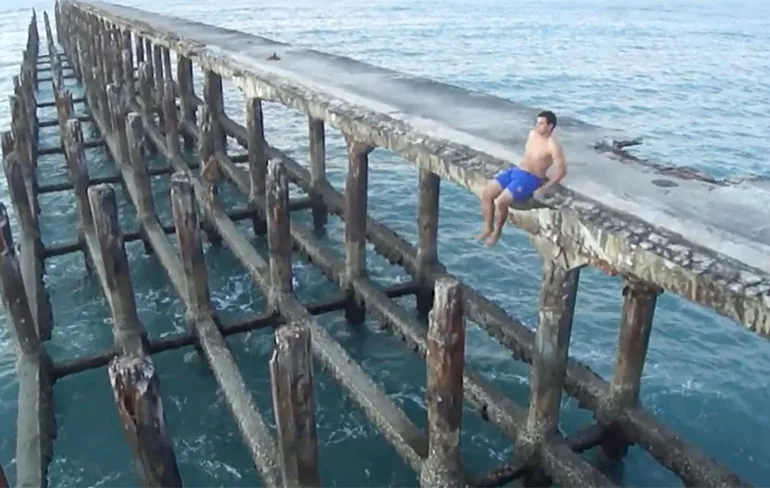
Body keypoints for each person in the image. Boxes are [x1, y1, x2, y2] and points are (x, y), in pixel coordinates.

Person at [476, 110, 567, 247]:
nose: (537, 126)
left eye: (541, 123)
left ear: (550, 126)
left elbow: (562, 171)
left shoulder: (552, 145)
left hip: (531, 178)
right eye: (537, 122)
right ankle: (488, 228)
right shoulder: (532, 134)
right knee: (486, 193)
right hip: (517, 171)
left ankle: (497, 232)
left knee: (501, 201)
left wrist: (544, 188)